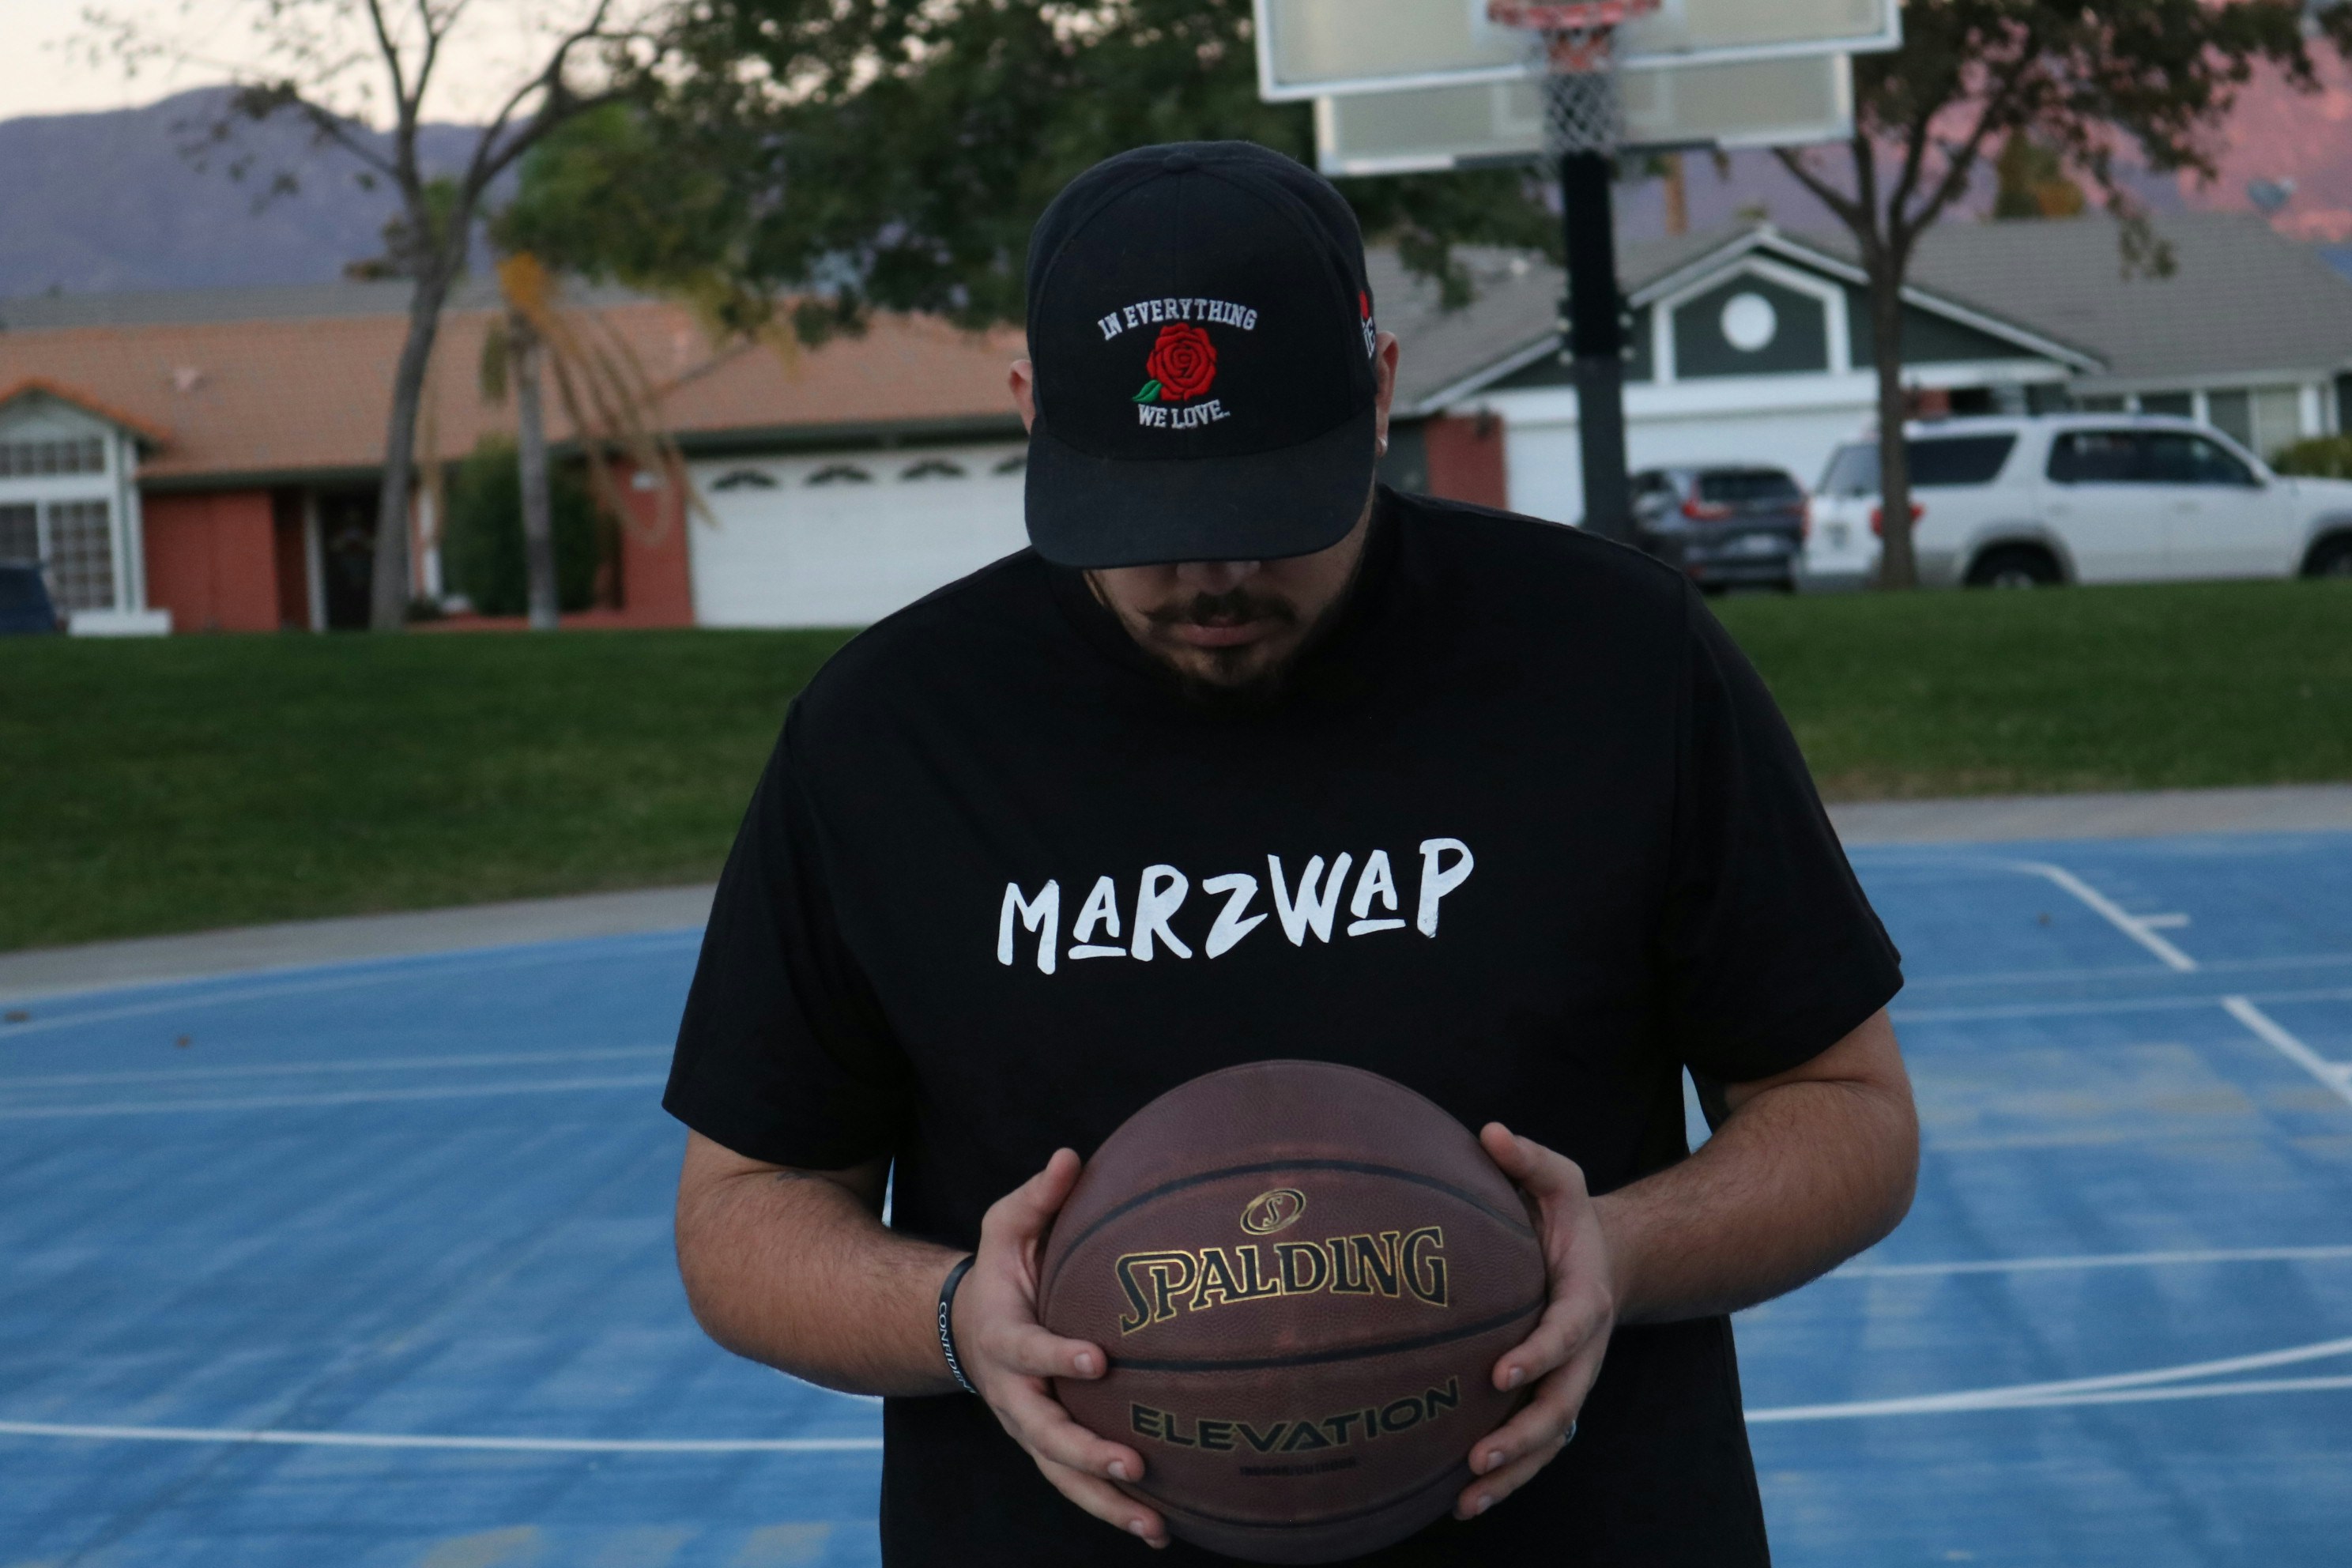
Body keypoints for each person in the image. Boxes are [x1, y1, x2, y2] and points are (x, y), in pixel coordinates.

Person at [664, 140, 1918, 1566]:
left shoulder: (1617, 660)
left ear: (1380, 390)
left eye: (1267, 512)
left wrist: (1620, 1255)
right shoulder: (888, 734)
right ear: (1034, 417)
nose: (1212, 576)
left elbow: (1849, 1111)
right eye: (1148, 520)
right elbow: (744, 1211)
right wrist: (956, 1318)